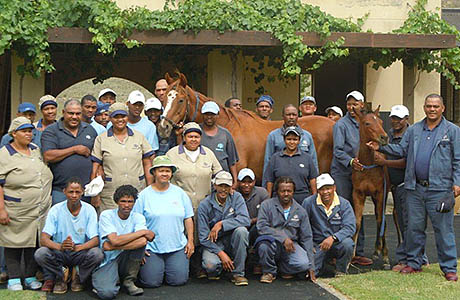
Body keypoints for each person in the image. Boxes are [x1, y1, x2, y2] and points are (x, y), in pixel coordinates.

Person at [368, 94, 460, 281]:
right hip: (415, 188)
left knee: (444, 230)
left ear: (442, 108)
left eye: (435, 106)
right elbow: (401, 150)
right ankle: (414, 263)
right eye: (428, 106)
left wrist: (457, 184)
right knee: (414, 229)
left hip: (440, 189)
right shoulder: (415, 129)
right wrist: (381, 147)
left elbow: (458, 159)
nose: (432, 109)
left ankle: (449, 267)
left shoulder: (452, 131)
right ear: (424, 108)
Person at [372, 105, 428, 271]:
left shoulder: (412, 135)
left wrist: (385, 162)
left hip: (408, 186)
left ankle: (416, 258)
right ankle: (407, 257)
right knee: (401, 222)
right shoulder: (387, 135)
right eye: (393, 118)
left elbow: (406, 160)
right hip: (394, 187)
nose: (395, 121)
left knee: (410, 223)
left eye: (399, 118)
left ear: (407, 119)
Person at [0, 117, 52, 291]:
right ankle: (14, 278)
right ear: (14, 133)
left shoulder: (35, 149)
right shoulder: (4, 154)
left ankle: (29, 276)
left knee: (33, 242)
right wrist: (1, 209)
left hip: (38, 209)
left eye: (30, 131)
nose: (29, 134)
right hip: (16, 207)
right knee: (14, 242)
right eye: (24, 131)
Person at [133, 156, 194, 288]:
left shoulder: (180, 193)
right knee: (151, 282)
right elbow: (137, 222)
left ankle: (169, 268)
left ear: (171, 173)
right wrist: (140, 247)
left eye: (167, 171)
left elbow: (188, 218)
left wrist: (190, 241)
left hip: (177, 246)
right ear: (154, 172)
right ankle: (157, 270)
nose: (164, 174)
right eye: (161, 171)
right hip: (152, 248)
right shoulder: (143, 195)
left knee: (178, 281)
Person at [34, 177, 103, 293]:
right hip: (60, 251)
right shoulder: (55, 210)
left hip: (79, 251)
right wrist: (60, 246)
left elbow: (95, 240)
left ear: (82, 193)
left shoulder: (89, 210)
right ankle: (60, 277)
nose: (74, 195)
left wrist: (78, 247)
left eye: (77, 192)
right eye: (71, 192)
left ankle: (77, 276)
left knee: (97, 254)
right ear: (64, 191)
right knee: (41, 253)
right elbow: (44, 239)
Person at [330, 90, 371, 266]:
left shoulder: (365, 122)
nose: (352, 107)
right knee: (342, 210)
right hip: (343, 173)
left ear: (362, 104)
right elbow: (338, 150)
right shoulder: (341, 125)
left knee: (358, 211)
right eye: (349, 104)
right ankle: (340, 251)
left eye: (355, 103)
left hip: (360, 173)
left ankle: (358, 251)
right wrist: (351, 161)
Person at [92, 185, 154, 299]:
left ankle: (129, 281)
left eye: (130, 201)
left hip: (125, 257)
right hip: (108, 260)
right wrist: (143, 232)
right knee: (107, 294)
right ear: (117, 201)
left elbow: (142, 241)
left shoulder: (138, 217)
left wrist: (114, 246)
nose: (126, 205)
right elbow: (114, 240)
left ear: (134, 202)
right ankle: (105, 280)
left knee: (140, 245)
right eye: (123, 201)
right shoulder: (107, 215)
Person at [90, 103, 154, 213]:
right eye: (116, 117)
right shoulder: (102, 139)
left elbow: (147, 163)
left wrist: (150, 189)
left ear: (127, 117)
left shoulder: (138, 137)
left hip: (137, 189)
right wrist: (95, 194)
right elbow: (95, 167)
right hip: (110, 192)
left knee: (136, 223)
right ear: (110, 118)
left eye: (123, 116)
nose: (120, 120)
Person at [256, 176, 315, 284]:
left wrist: (311, 266)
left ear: (293, 192)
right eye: (283, 191)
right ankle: (268, 272)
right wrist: (283, 238)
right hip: (271, 242)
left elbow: (307, 238)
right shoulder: (267, 205)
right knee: (264, 246)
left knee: (304, 264)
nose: (286, 194)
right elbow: (261, 227)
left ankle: (282, 269)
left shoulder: (300, 210)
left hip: (291, 246)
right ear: (277, 192)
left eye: (289, 191)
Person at [197, 171, 250, 286]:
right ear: (214, 185)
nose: (223, 189)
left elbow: (246, 220)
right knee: (210, 266)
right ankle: (223, 267)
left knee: (242, 231)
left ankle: (238, 274)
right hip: (214, 243)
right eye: (221, 185)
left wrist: (222, 224)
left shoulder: (236, 197)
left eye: (226, 186)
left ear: (231, 187)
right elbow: (203, 237)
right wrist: (221, 254)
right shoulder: (205, 205)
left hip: (232, 239)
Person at [41, 99, 97, 205]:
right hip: (61, 191)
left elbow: (97, 158)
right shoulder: (52, 131)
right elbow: (48, 156)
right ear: (63, 112)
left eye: (78, 114)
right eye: (71, 113)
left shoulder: (90, 130)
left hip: (86, 191)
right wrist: (74, 149)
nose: (75, 117)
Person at [302, 174, 355, 277]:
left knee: (348, 244)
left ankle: (341, 271)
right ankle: (323, 265)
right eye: (322, 189)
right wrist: (309, 244)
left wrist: (333, 238)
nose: (325, 192)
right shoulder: (308, 203)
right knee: (309, 273)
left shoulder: (344, 204)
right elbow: (303, 226)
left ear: (334, 188)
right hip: (318, 244)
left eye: (328, 188)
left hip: (337, 243)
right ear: (317, 190)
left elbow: (350, 227)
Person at [166, 122, 222, 211]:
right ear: (184, 137)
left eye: (196, 137)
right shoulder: (172, 154)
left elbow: (219, 174)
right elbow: (164, 177)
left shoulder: (208, 153)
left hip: (205, 206)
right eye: (190, 137)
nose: (193, 139)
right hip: (179, 205)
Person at [263, 126, 318, 204]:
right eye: (289, 139)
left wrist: (314, 198)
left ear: (299, 141)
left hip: (302, 198)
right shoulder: (275, 158)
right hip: (280, 199)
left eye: (295, 139)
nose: (292, 142)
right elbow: (269, 181)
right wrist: (268, 200)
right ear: (284, 140)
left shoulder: (307, 158)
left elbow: (312, 179)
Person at [263, 104, 318, 179]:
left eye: (294, 114)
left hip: (302, 183)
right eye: (288, 115)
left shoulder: (307, 135)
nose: (291, 117)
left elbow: (313, 161)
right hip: (281, 184)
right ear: (283, 116)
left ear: (298, 116)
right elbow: (267, 162)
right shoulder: (273, 136)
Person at [236, 168, 269, 274]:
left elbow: (268, 214)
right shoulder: (234, 194)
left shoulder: (262, 193)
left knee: (261, 227)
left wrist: (251, 221)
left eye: (249, 182)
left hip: (256, 226)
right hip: (238, 227)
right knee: (239, 232)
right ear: (238, 182)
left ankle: (257, 261)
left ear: (254, 182)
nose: (246, 185)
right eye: (243, 182)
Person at [200, 101, 239, 187]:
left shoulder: (225, 134)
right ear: (202, 115)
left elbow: (232, 161)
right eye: (206, 114)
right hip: (201, 179)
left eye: (212, 114)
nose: (209, 117)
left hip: (222, 180)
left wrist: (235, 181)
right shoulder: (196, 132)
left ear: (218, 115)